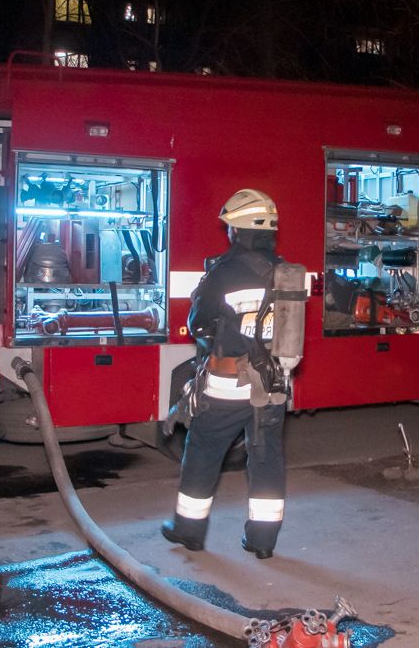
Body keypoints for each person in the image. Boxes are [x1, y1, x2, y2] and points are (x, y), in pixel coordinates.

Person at [161, 189, 302, 560]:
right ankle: (263, 542)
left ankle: (189, 530)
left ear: (237, 232)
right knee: (266, 459)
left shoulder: (223, 273)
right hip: (274, 384)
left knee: (204, 450)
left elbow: (198, 323)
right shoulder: (285, 272)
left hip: (228, 384)